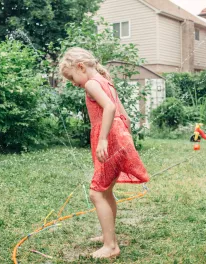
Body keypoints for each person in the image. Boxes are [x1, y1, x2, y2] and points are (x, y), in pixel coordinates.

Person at [59, 47, 149, 259]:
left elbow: (109, 107)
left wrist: (103, 140)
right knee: (106, 190)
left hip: (110, 139)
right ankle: (108, 236)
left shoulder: (91, 83)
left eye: (73, 77)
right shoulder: (106, 81)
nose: (74, 83)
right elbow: (123, 114)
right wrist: (124, 138)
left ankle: (111, 246)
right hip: (118, 138)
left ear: (81, 66)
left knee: (97, 192)